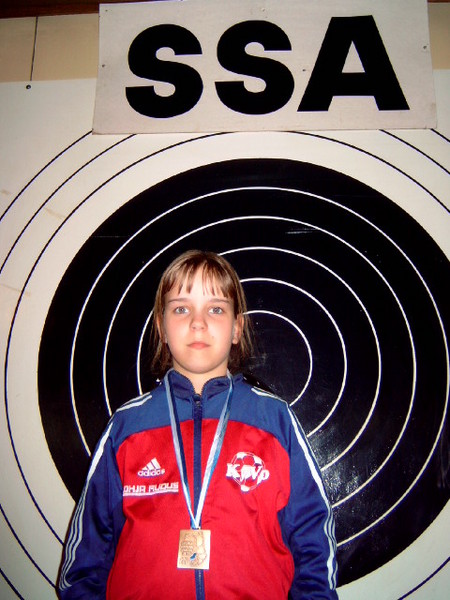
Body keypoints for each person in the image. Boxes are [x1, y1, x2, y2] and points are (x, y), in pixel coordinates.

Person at [58, 249, 338, 599]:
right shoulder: (126, 427)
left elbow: (314, 543)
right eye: (181, 309)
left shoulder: (275, 421)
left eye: (216, 309)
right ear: (161, 327)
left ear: (237, 328)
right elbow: (85, 561)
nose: (198, 323)